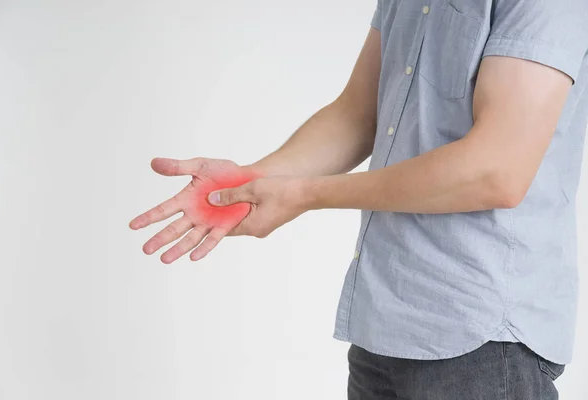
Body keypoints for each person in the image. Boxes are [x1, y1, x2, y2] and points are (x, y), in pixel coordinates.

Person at [130, 0, 588, 398]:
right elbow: (358, 113)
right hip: (383, 324)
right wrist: (253, 181)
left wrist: (305, 194)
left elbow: (497, 170)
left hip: (481, 339)